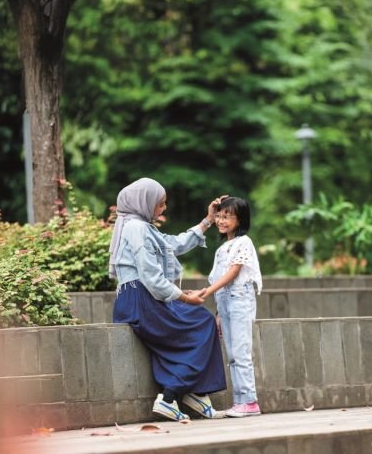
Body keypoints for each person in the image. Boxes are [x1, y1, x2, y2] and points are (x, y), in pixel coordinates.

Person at [109, 178, 226, 421]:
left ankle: (196, 393)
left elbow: (173, 244)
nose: (163, 209)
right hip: (140, 299)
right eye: (160, 204)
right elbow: (151, 276)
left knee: (199, 322)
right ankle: (170, 397)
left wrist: (208, 220)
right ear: (144, 202)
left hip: (142, 298)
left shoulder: (141, 226)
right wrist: (184, 297)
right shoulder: (137, 228)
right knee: (202, 323)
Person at [203, 196, 262, 418]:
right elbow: (220, 280)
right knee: (232, 355)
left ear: (240, 219)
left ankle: (250, 401)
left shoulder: (243, 242)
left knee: (241, 351)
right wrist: (218, 312)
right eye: (218, 215)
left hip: (239, 300)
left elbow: (233, 273)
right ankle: (240, 402)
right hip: (225, 303)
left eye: (227, 216)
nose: (221, 220)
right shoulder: (223, 247)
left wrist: (206, 293)